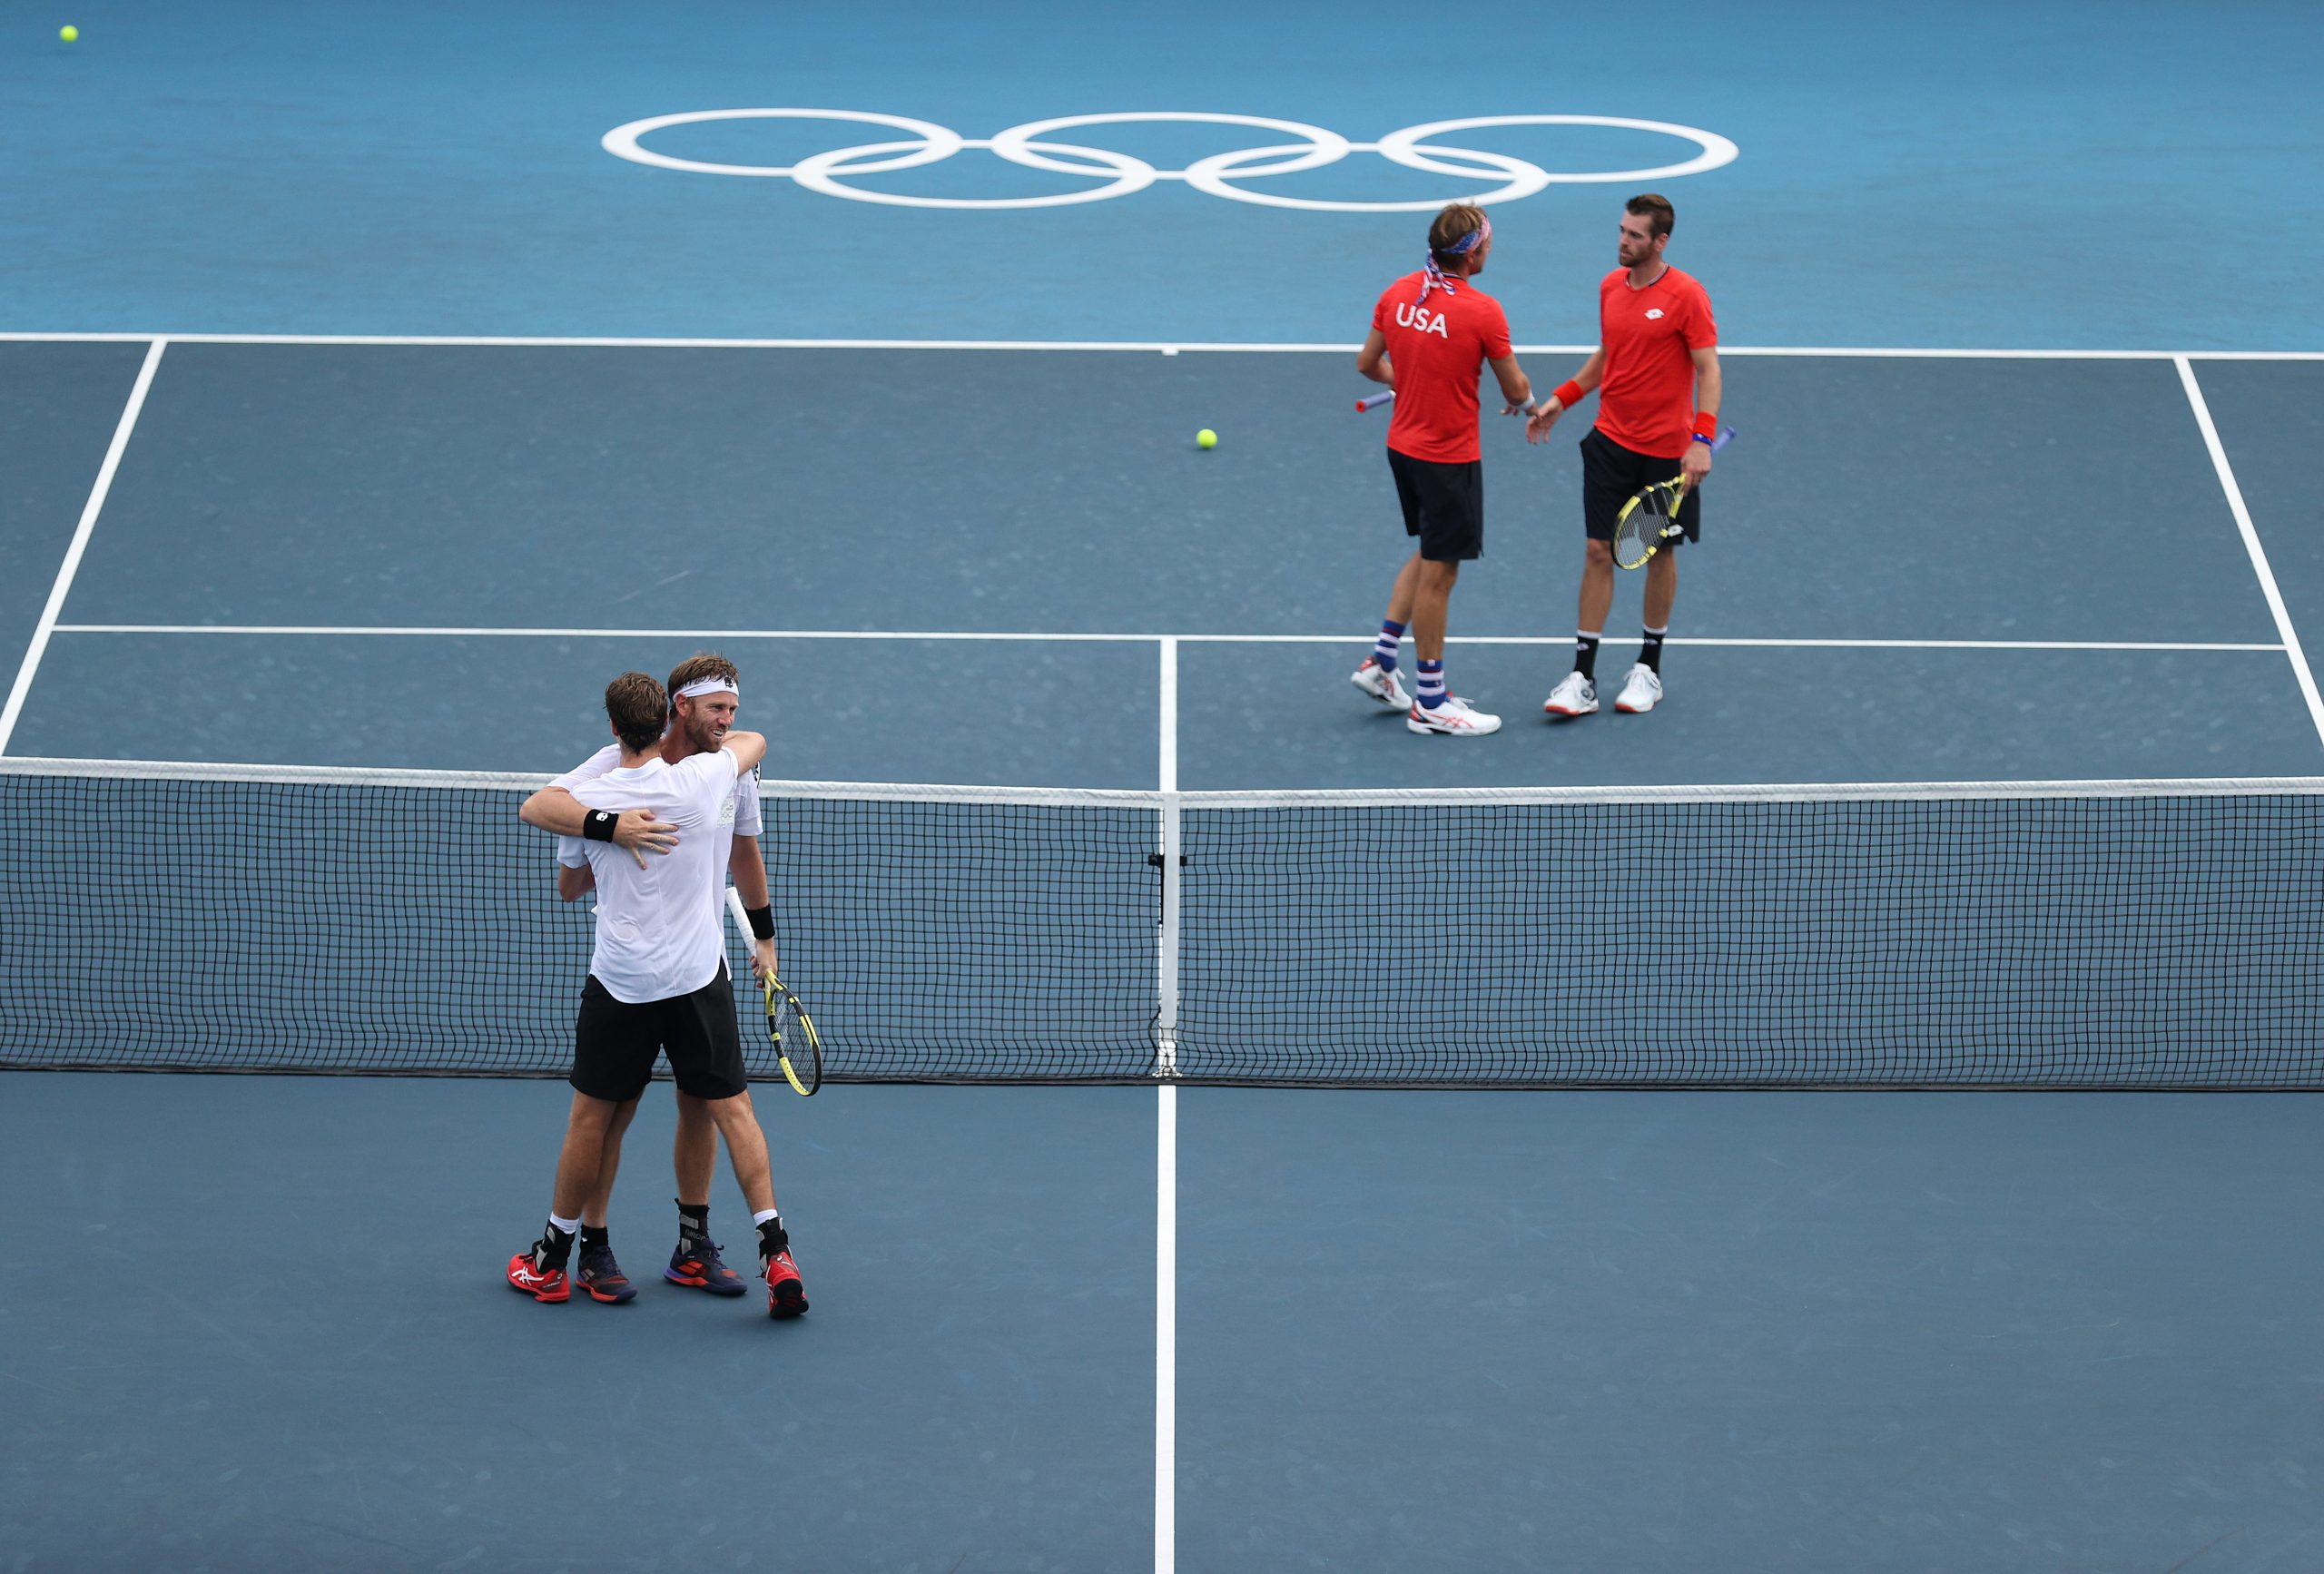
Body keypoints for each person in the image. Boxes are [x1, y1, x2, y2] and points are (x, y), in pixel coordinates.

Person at [506, 672, 806, 1320]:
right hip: (686, 979)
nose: (727, 720)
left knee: (612, 1117)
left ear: (615, 726)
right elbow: (754, 743)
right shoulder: (709, 779)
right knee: (714, 1110)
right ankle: (767, 1246)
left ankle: (580, 1254)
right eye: (716, 708)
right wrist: (613, 829)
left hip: (640, 980)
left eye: (732, 708)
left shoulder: (595, 787)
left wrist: (603, 829)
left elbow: (556, 854)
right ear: (677, 709)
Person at [1529, 192, 1723, 718]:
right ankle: (1582, 677)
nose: (1623, 241)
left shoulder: (1687, 295)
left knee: (1660, 555)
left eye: (1635, 235)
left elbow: (1708, 370)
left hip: (1666, 453)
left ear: (1660, 242)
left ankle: (1649, 669)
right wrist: (1561, 400)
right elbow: (1607, 358)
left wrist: (1700, 441)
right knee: (1598, 552)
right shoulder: (1610, 287)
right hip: (1610, 442)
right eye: (1621, 230)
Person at [1350, 202, 1536, 737]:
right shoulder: (1483, 311)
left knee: (1429, 550)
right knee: (1442, 572)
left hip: (1403, 448)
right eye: (1488, 243)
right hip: (1448, 458)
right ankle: (1430, 701)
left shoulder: (1398, 292)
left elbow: (1368, 365)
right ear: (1472, 252)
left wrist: (1405, 381)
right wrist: (1530, 407)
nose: (1490, 250)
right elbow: (1516, 389)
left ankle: (1383, 664)